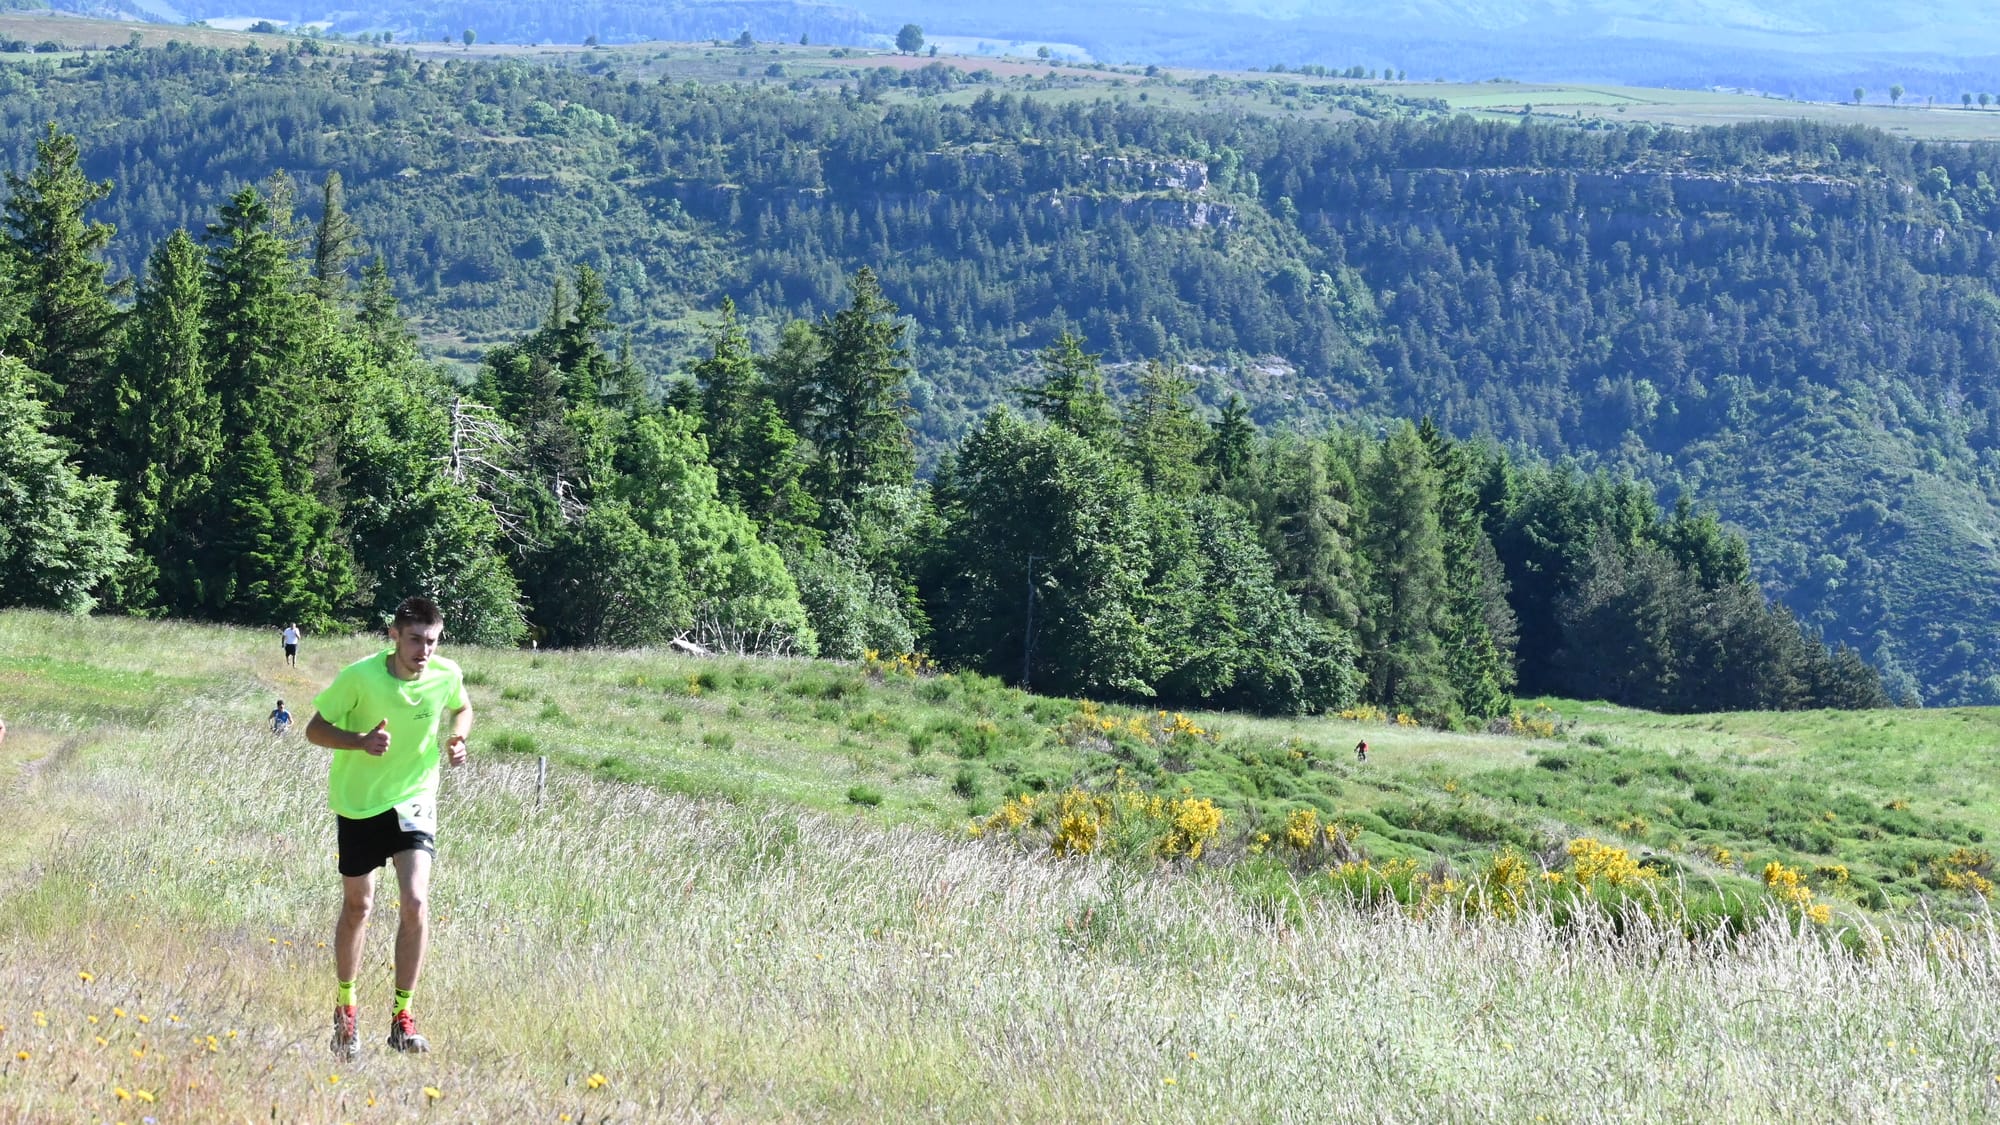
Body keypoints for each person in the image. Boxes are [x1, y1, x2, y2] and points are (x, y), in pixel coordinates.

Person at [306, 596, 473, 1059]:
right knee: (359, 907)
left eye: (432, 642)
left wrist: (458, 738)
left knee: (416, 901)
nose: (425, 651)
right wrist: (360, 742)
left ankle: (403, 1019)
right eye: (416, 640)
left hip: (414, 797)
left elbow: (462, 707)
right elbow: (314, 730)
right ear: (394, 635)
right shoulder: (359, 677)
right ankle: (346, 1013)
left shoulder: (446, 673)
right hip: (358, 802)